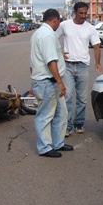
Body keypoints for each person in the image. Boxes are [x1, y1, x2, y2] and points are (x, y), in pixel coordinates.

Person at [56, 2, 103, 136]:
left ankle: (79, 124)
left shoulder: (90, 28)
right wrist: (59, 53)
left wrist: (98, 62)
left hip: (83, 66)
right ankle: (67, 126)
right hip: (68, 66)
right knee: (68, 96)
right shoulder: (65, 25)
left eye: (85, 13)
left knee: (82, 98)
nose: (83, 16)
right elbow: (53, 38)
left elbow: (96, 46)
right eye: (81, 13)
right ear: (75, 12)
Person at [30, 9, 73, 158]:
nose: (58, 25)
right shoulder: (47, 35)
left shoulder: (38, 33)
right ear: (55, 19)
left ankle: (57, 142)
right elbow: (50, 61)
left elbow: (37, 58)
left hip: (48, 81)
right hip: (48, 82)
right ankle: (45, 147)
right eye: (58, 21)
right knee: (45, 115)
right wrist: (60, 83)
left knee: (61, 113)